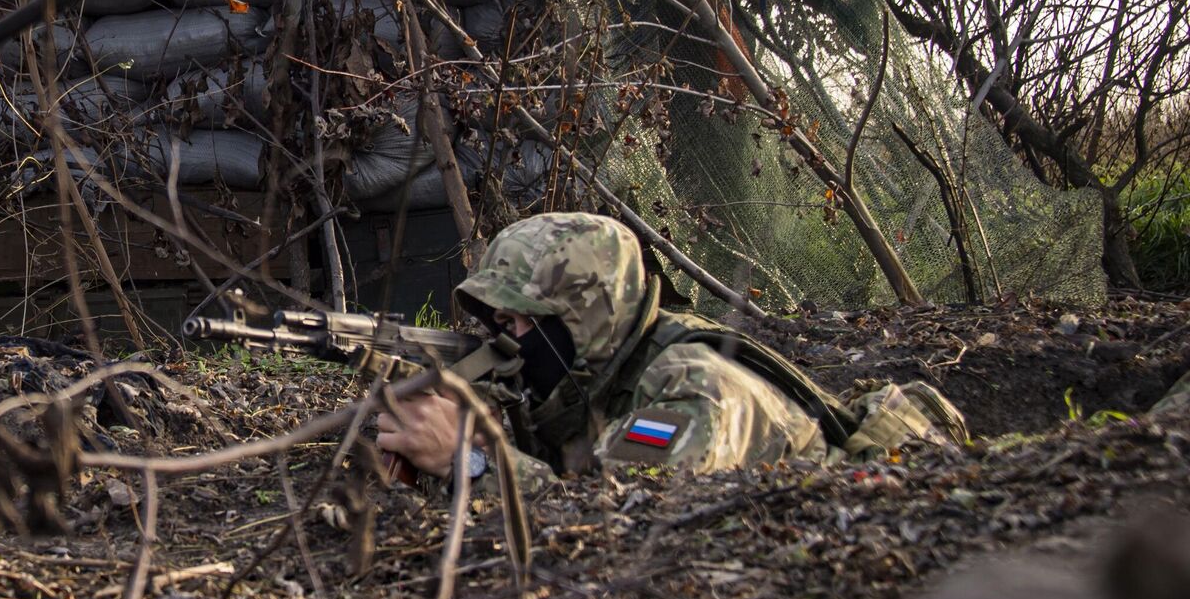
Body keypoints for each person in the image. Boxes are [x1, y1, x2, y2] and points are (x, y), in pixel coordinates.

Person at [375, 212, 968, 489]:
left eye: (517, 323)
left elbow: (615, 518)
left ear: (584, 319)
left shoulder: (692, 390)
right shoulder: (598, 375)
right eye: (496, 322)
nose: (503, 343)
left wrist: (470, 460)